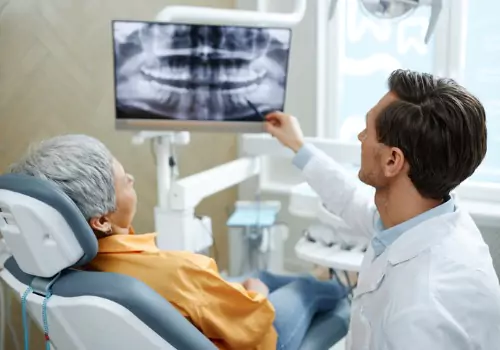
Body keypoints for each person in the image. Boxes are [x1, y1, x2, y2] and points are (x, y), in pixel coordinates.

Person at [8, 134, 349, 350]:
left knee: (264, 274)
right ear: (100, 219)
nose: (131, 178)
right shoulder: (176, 271)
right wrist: (256, 292)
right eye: (121, 179)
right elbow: (255, 325)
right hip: (259, 339)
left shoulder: (61, 270)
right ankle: (345, 291)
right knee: (307, 289)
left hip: (206, 314)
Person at [265, 69, 500, 349]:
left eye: (368, 130)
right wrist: (298, 146)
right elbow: (350, 200)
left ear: (392, 161)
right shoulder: (428, 217)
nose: (360, 136)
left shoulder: (421, 311)